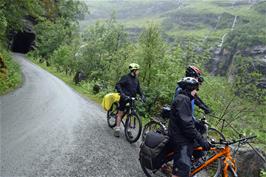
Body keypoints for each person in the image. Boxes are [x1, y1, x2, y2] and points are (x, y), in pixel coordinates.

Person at [168, 77, 211, 177]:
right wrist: (201, 140)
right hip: (179, 138)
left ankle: (187, 169)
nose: (196, 92)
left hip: (181, 133)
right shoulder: (183, 100)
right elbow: (187, 126)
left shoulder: (184, 98)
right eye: (196, 89)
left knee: (198, 151)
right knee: (181, 172)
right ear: (190, 88)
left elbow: (187, 121)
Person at [114, 63, 145, 137]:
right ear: (133, 70)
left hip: (131, 99)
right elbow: (118, 85)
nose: (138, 72)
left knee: (130, 114)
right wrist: (122, 94)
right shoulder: (126, 77)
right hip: (124, 98)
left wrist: (142, 96)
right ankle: (117, 129)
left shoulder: (136, 80)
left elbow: (139, 90)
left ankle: (128, 129)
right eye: (137, 70)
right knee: (120, 113)